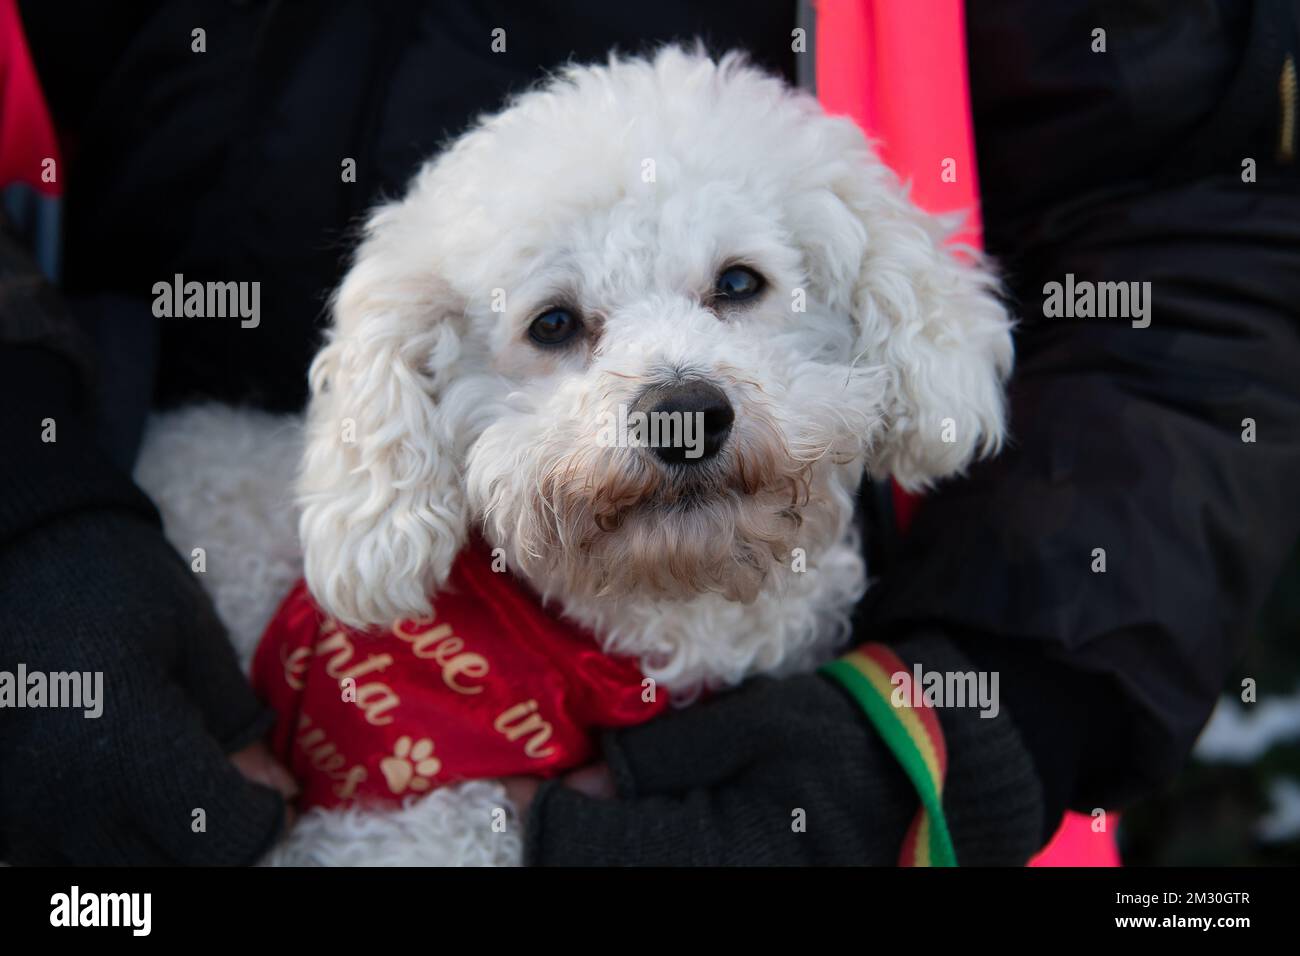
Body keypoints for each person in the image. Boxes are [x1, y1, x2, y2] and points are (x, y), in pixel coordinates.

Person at [2, 0, 1297, 865]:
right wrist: (24, 522)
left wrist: (967, 733)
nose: (676, 392)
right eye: (561, 327)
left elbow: (1174, 216)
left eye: (737, 289)